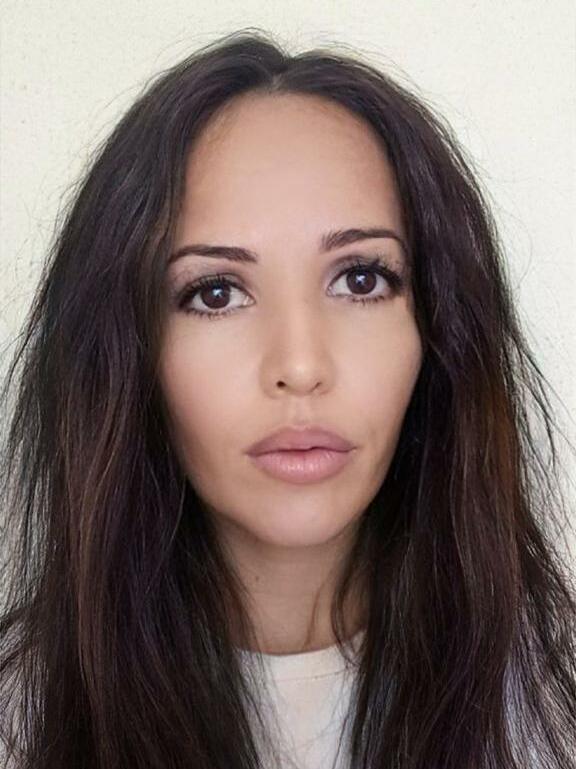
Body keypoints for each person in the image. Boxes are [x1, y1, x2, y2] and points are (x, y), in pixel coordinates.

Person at [0, 27, 575, 769]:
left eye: (361, 279)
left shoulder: (550, 708)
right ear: (128, 353)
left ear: (438, 331)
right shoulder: (21, 716)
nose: (300, 366)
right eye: (215, 292)